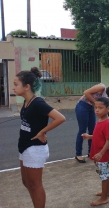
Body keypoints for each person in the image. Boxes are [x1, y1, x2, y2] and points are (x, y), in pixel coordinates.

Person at [14, 67, 66, 208]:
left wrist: (42, 132)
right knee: (26, 182)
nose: (13, 88)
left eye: (16, 84)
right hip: (24, 146)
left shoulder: (38, 103)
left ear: (27, 87)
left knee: (35, 185)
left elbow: (60, 118)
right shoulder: (26, 102)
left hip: (34, 148)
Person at [81, 97, 109, 206]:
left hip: (103, 155)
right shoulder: (100, 120)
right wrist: (90, 136)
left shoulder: (107, 123)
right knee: (106, 175)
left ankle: (104, 198)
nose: (97, 110)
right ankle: (107, 191)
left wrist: (100, 153)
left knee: (104, 176)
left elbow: (108, 141)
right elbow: (100, 135)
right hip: (100, 153)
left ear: (108, 108)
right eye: (95, 108)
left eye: (100, 108)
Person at [75, 83, 107, 163]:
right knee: (82, 130)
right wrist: (96, 103)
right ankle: (78, 154)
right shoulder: (102, 87)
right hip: (82, 106)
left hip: (91, 107)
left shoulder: (106, 97)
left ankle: (91, 152)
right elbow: (86, 92)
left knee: (93, 130)